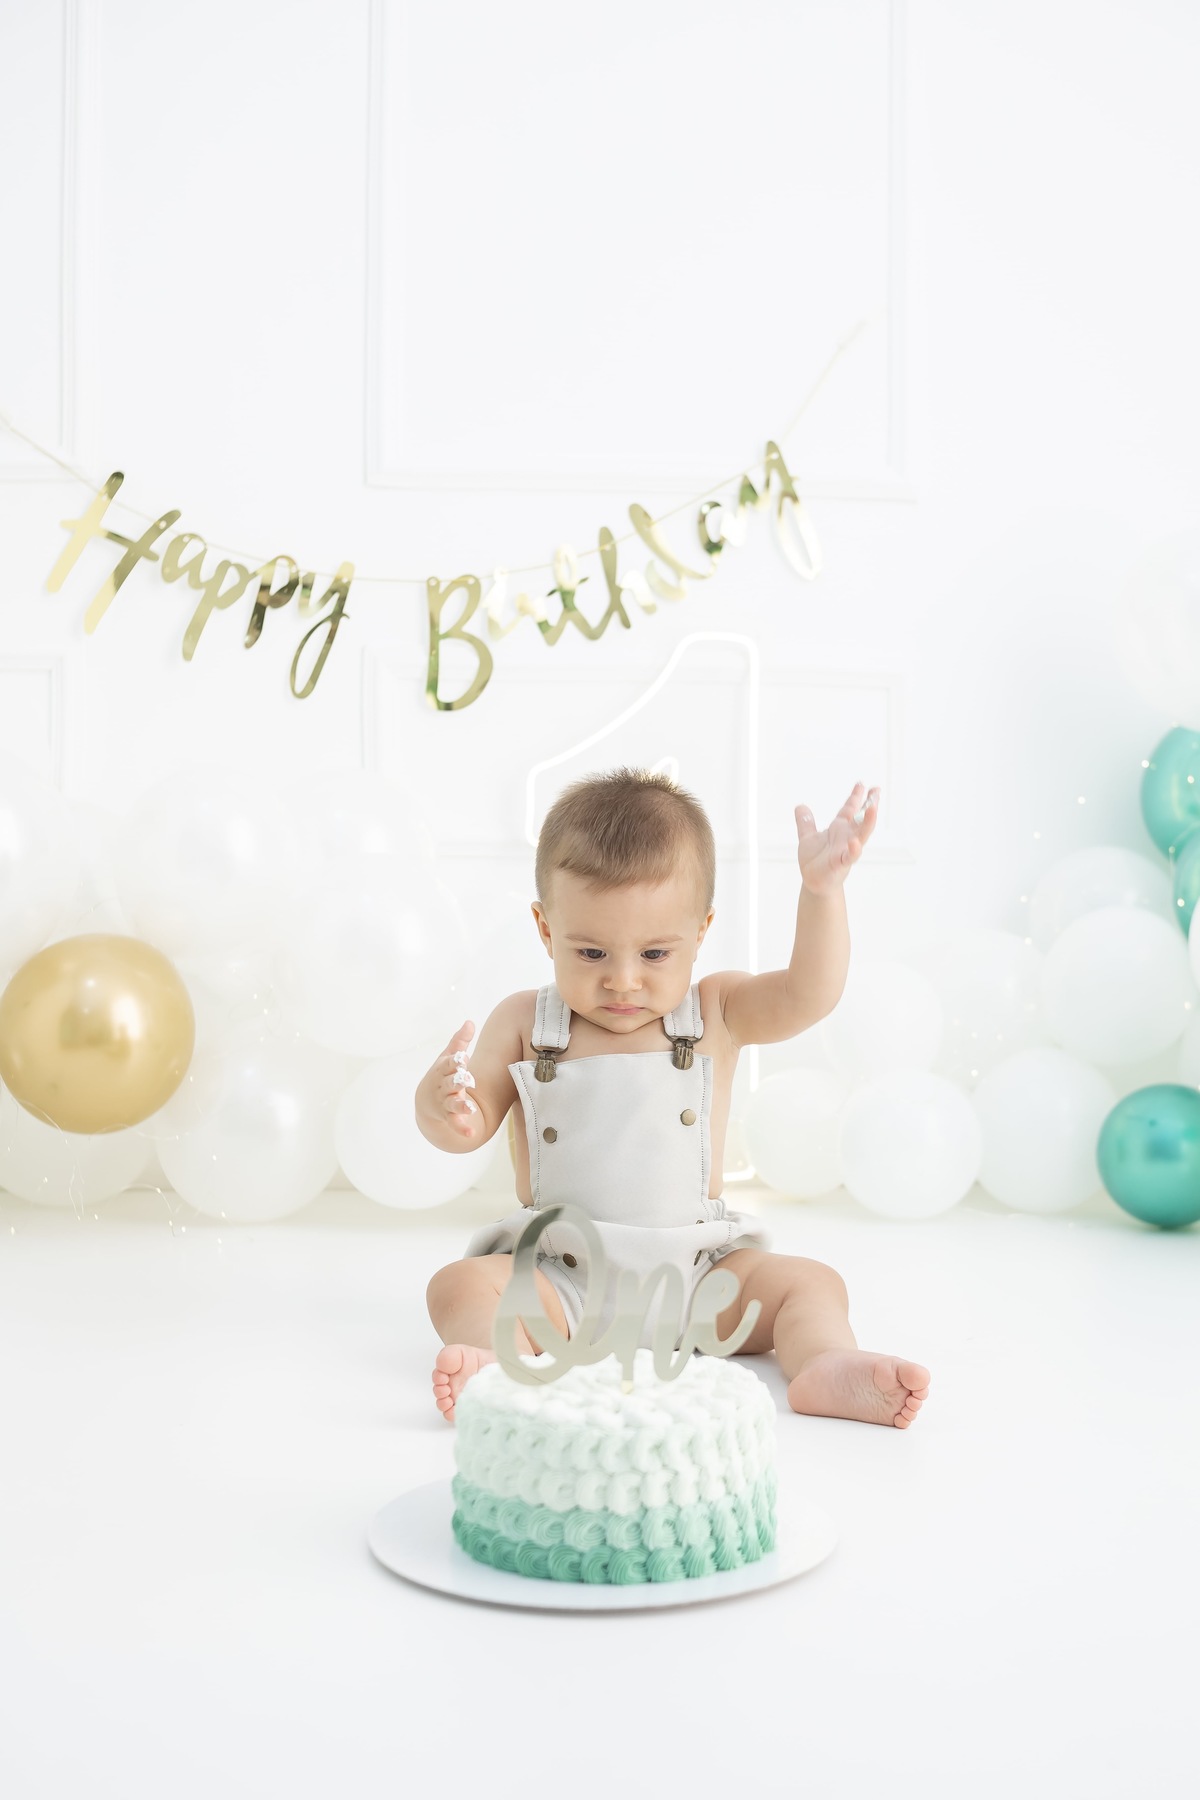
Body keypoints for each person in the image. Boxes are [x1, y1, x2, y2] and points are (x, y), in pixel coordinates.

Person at [416, 767, 930, 1429]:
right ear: (546, 931)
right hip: (562, 1280)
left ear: (702, 930)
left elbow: (810, 994)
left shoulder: (717, 1010)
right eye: (592, 951)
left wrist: (821, 892)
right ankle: (503, 1366)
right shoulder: (524, 1022)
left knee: (812, 1283)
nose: (622, 980)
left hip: (696, 1281)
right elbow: (467, 1125)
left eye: (656, 953)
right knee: (458, 1287)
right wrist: (441, 1107)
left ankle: (825, 1363)